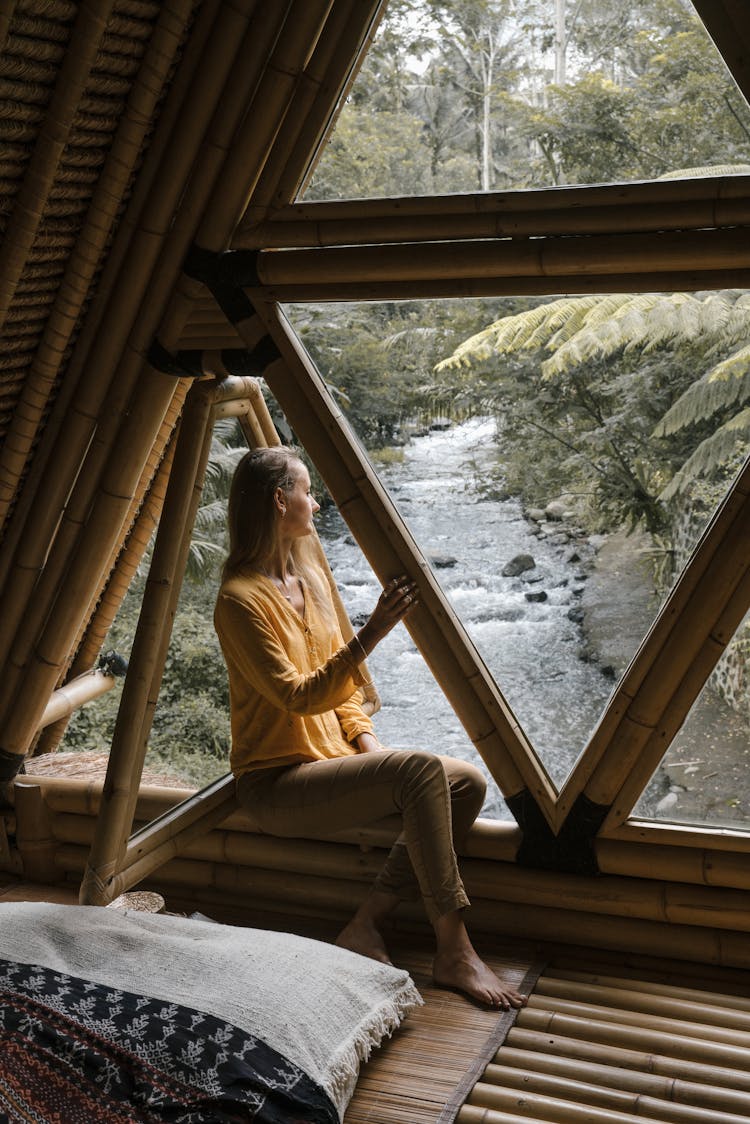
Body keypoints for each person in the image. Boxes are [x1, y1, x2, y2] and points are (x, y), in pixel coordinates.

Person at [214, 446, 526, 1010]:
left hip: (331, 766)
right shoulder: (239, 601)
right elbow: (299, 695)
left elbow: (347, 694)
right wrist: (373, 632)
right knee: (420, 771)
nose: (315, 501)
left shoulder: (309, 581)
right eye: (307, 491)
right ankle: (453, 949)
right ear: (280, 500)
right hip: (276, 783)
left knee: (466, 783)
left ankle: (366, 923)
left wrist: (369, 751)